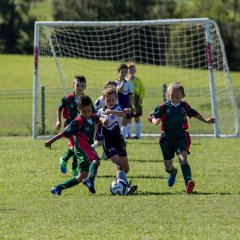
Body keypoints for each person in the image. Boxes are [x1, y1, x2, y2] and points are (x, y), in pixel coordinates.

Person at [148, 82, 216, 193]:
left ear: (182, 96)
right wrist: (155, 120)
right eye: (172, 96)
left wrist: (207, 121)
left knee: (183, 158)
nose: (174, 99)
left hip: (180, 135)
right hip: (166, 137)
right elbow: (153, 116)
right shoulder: (164, 106)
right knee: (168, 166)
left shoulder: (184, 106)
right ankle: (173, 172)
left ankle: (188, 183)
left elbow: (194, 113)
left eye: (177, 97)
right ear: (168, 95)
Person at [44, 95, 100, 195]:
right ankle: (90, 180)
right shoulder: (77, 122)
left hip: (87, 147)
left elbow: (100, 117)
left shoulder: (91, 117)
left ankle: (57, 188)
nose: (87, 113)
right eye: (84, 111)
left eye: (89, 111)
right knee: (96, 160)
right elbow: (63, 133)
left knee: (81, 176)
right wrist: (50, 141)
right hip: (82, 148)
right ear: (79, 109)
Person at [97, 87, 137, 194]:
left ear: (116, 99)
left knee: (126, 169)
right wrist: (102, 119)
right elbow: (96, 118)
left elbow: (124, 114)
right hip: (108, 142)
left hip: (119, 141)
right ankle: (123, 189)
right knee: (119, 166)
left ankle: (122, 184)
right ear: (104, 99)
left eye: (113, 100)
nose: (110, 102)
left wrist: (112, 111)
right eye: (108, 100)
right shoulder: (101, 111)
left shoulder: (118, 108)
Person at [56, 75, 86, 176]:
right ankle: (64, 159)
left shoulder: (86, 100)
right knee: (75, 146)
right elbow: (59, 109)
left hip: (80, 126)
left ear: (85, 87)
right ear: (73, 86)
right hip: (69, 125)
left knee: (78, 147)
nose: (80, 88)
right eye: (77, 85)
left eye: (82, 86)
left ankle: (73, 168)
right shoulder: (69, 98)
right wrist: (58, 121)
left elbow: (91, 112)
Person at [115, 63, 136, 140]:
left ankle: (123, 139)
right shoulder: (115, 83)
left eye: (125, 72)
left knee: (125, 122)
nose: (123, 73)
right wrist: (123, 81)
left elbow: (130, 95)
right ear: (118, 72)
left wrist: (134, 106)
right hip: (117, 105)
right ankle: (119, 138)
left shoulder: (129, 84)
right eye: (122, 72)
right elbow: (120, 90)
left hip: (126, 105)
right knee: (118, 123)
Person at [126, 62, 145, 139]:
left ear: (135, 71)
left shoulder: (138, 81)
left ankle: (138, 135)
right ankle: (128, 134)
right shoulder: (126, 81)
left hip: (136, 100)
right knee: (128, 118)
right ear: (128, 71)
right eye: (130, 69)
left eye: (133, 70)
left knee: (137, 117)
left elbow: (142, 90)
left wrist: (140, 98)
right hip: (128, 100)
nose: (132, 71)